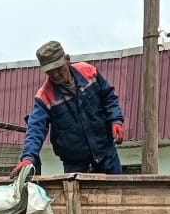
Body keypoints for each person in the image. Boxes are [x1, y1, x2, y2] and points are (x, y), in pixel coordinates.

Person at [10, 40, 126, 178]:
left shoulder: (88, 72)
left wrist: (116, 119)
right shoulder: (44, 96)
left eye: (58, 68)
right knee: (75, 197)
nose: (56, 75)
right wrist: (28, 157)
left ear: (67, 60)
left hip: (104, 149)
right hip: (74, 160)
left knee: (116, 191)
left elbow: (108, 97)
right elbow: (35, 128)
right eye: (50, 72)